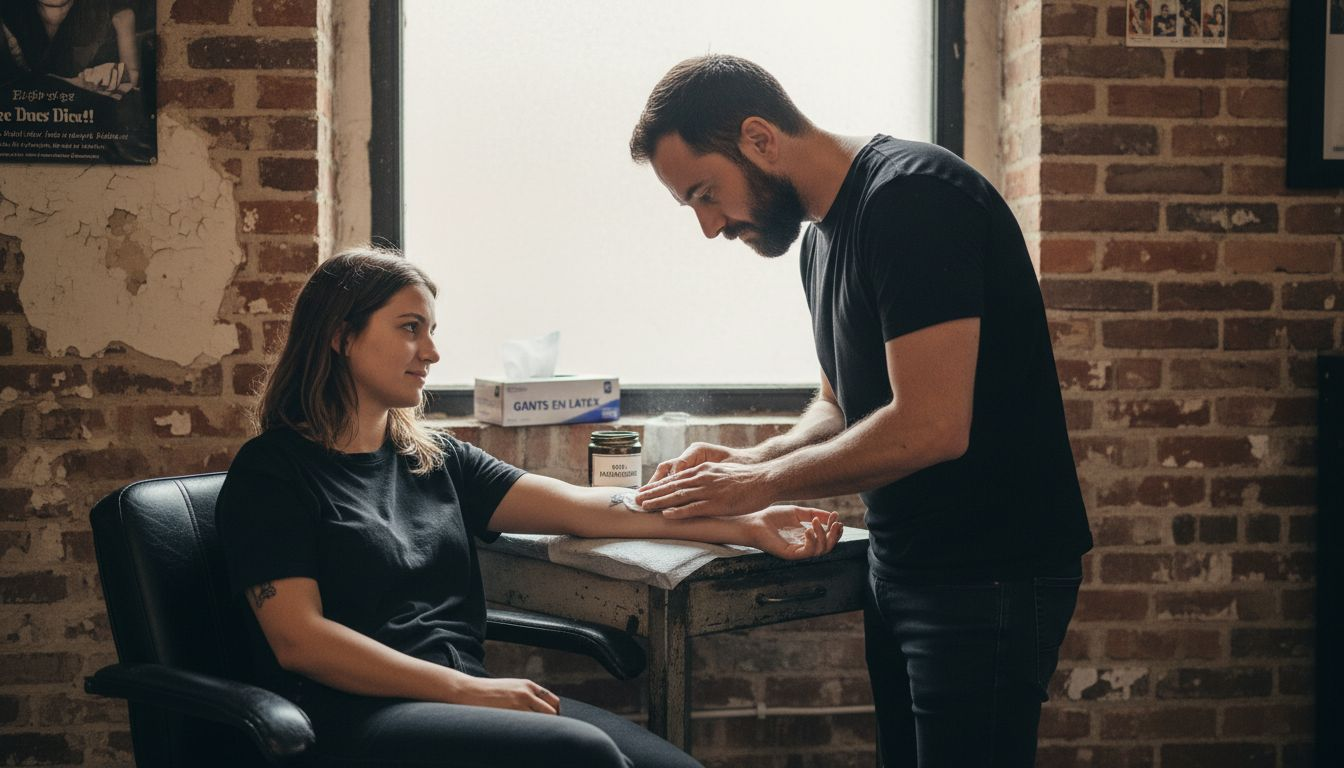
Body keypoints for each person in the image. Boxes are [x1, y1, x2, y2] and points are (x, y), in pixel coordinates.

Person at [627, 55, 1092, 767]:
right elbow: (839, 404)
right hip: (900, 562)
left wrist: (760, 484)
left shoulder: (913, 199)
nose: (710, 227)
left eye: (706, 194)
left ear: (759, 139)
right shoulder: (818, 240)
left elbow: (932, 426)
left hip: (989, 570)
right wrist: (751, 457)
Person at [214, 247, 843, 768]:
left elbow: (585, 509)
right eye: (410, 328)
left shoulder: (435, 458)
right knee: (583, 756)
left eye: (432, 331)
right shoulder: (272, 473)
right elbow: (300, 641)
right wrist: (469, 690)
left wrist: (747, 525)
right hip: (351, 716)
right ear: (340, 335)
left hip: (461, 696)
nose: (431, 352)